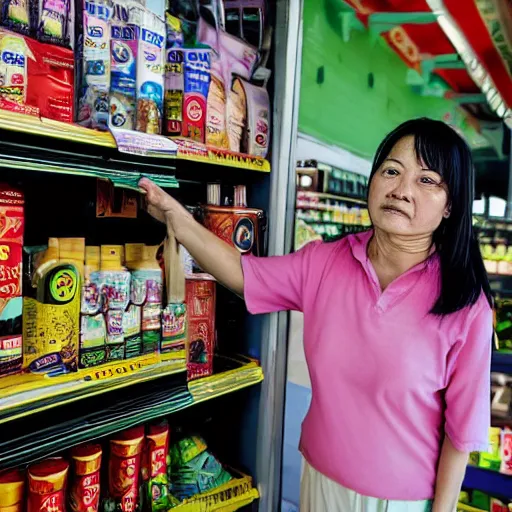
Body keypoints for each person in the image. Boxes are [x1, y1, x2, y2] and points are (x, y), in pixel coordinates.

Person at [139, 118, 493, 512]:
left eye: (427, 180)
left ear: (451, 206)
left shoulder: (465, 304)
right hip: (319, 482)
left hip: (402, 502)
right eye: (391, 171)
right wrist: (179, 221)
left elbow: (460, 436)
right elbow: (245, 274)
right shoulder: (327, 263)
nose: (401, 190)